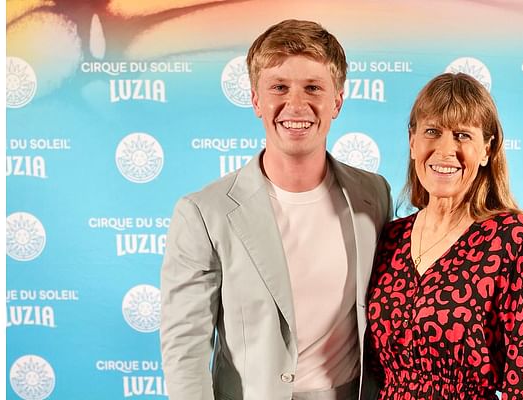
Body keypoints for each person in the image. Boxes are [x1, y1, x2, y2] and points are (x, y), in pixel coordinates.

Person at [160, 19, 392, 400]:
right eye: (279, 87)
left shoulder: (373, 194)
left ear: (337, 101)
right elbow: (184, 351)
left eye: (313, 87)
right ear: (255, 100)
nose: (296, 105)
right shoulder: (204, 213)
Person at [364, 73, 523, 400]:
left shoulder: (511, 238)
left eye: (462, 135)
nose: (445, 150)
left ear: (487, 149)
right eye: (432, 132)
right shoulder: (390, 238)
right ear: (413, 142)